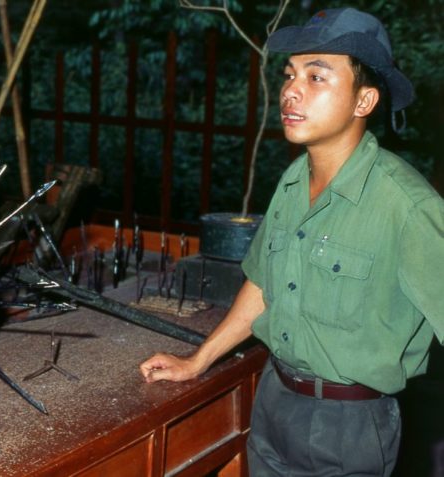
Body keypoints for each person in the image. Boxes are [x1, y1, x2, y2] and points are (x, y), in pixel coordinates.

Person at [139, 7, 444, 476]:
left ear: (364, 102)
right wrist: (198, 359)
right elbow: (263, 285)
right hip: (275, 398)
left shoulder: (407, 206)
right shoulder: (292, 182)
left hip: (350, 424)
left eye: (317, 76)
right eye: (290, 74)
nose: (290, 91)